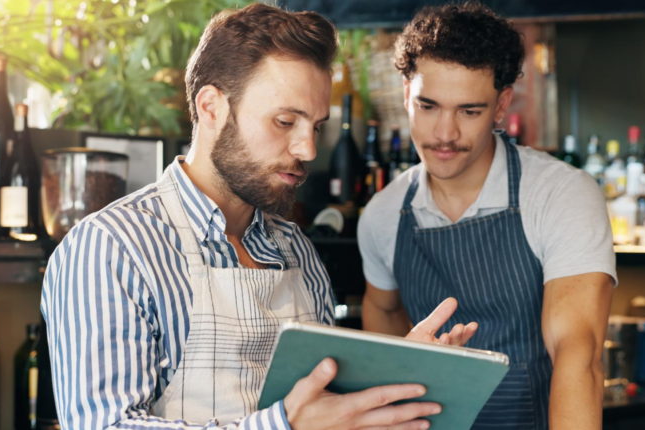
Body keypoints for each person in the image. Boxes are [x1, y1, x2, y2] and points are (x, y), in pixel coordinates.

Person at [42, 4, 465, 430]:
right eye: (285, 121)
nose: (308, 150)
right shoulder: (110, 249)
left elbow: (323, 407)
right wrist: (283, 426)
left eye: (315, 126)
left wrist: (392, 383)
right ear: (211, 108)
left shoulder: (295, 249)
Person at [358, 3, 616, 429]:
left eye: (469, 111)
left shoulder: (560, 194)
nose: (444, 134)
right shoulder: (383, 215)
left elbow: (579, 355)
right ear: (407, 94)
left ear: (501, 107)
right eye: (428, 106)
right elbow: (383, 315)